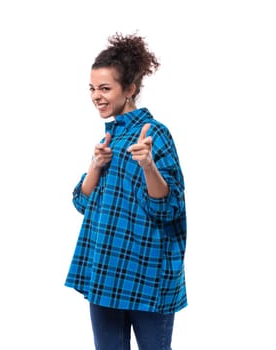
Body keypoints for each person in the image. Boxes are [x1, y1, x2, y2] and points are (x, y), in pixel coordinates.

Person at [65, 32, 187, 350]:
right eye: (92, 88)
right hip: (105, 269)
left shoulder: (153, 134)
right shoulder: (112, 139)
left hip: (145, 273)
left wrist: (148, 165)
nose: (96, 96)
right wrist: (95, 165)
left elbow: (169, 207)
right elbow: (82, 202)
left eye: (105, 88)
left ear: (129, 89)